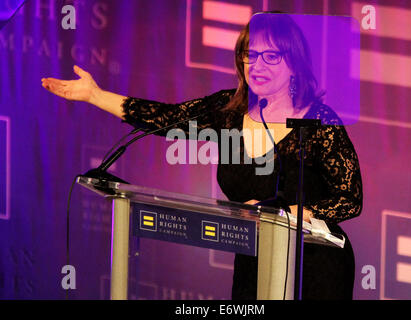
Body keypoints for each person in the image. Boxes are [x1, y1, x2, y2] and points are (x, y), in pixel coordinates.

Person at [42, 13, 362, 300]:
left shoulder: (319, 121)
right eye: (250, 55)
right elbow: (168, 119)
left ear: (293, 63)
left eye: (271, 56)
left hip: (316, 267)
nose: (257, 65)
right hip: (255, 257)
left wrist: (289, 214)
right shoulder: (227, 110)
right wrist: (95, 95)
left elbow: (350, 198)